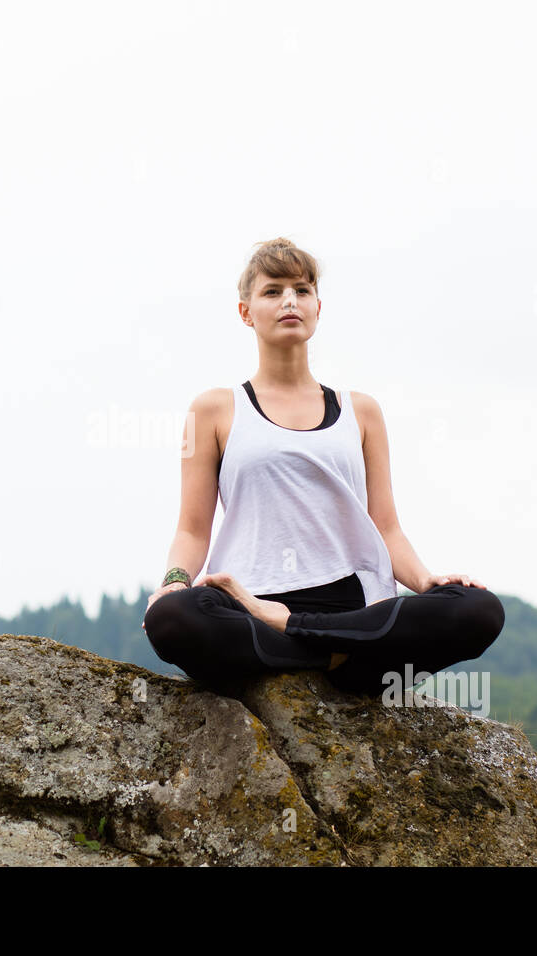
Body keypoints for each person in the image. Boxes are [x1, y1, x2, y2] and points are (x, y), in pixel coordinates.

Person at [142, 237, 504, 697]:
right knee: (171, 619)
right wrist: (174, 583)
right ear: (245, 312)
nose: (289, 300)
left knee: (477, 609)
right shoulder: (211, 410)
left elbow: (386, 527)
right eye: (272, 291)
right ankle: (332, 659)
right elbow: (193, 529)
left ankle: (299, 635)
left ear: (318, 307)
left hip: (351, 607)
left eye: (301, 289)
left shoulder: (362, 411)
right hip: (246, 603)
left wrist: (425, 580)